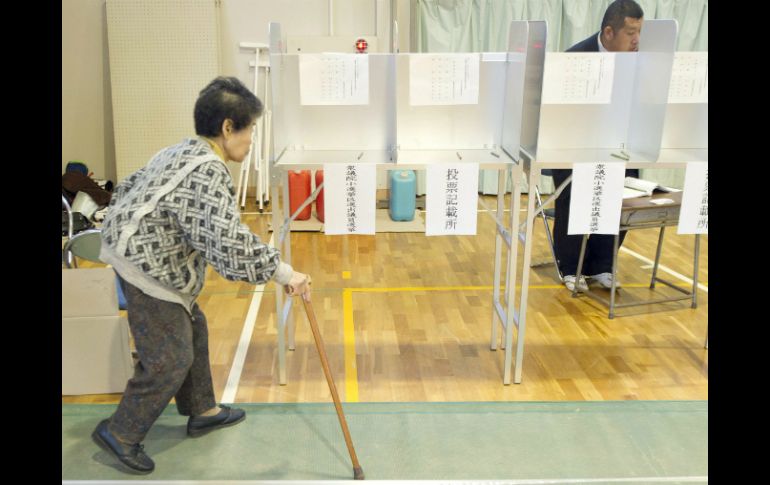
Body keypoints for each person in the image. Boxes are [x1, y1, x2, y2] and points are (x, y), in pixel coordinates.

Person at [91, 76, 312, 474]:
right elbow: (229, 246)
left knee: (194, 327)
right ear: (228, 128)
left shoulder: (182, 149)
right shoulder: (207, 173)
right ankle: (120, 433)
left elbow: (127, 187)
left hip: (136, 250)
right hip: (144, 267)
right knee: (170, 358)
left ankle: (202, 410)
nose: (251, 140)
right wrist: (285, 273)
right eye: (250, 130)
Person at [550, 0, 643, 292]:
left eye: (639, 32)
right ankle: (570, 268)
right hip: (574, 147)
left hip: (619, 146)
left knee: (619, 201)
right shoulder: (575, 58)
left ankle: (601, 265)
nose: (636, 40)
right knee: (573, 202)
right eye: (630, 33)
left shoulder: (641, 59)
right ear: (608, 32)